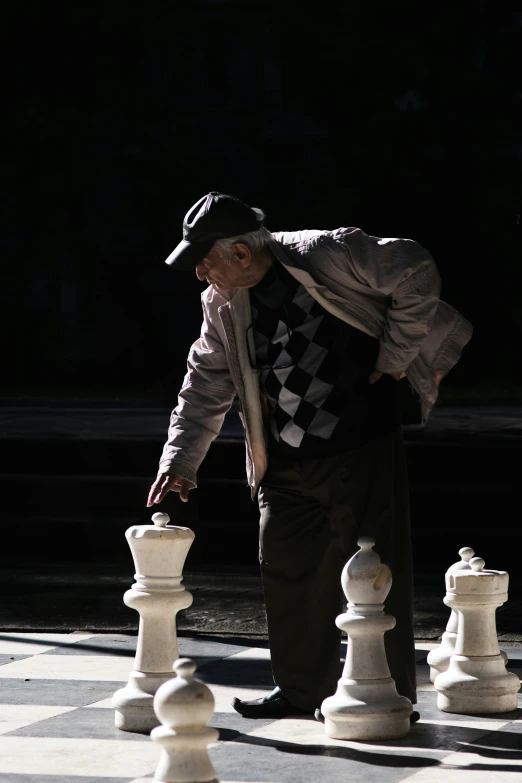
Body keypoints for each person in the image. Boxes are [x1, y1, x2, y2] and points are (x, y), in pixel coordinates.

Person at [147, 191, 472, 720]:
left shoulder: (326, 252)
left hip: (359, 445)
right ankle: (301, 690)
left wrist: (394, 358)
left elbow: (416, 271)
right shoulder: (221, 303)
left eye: (206, 262)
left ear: (242, 255)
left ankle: (385, 693)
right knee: (286, 569)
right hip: (283, 459)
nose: (201, 275)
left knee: (375, 573)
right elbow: (205, 381)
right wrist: (179, 461)